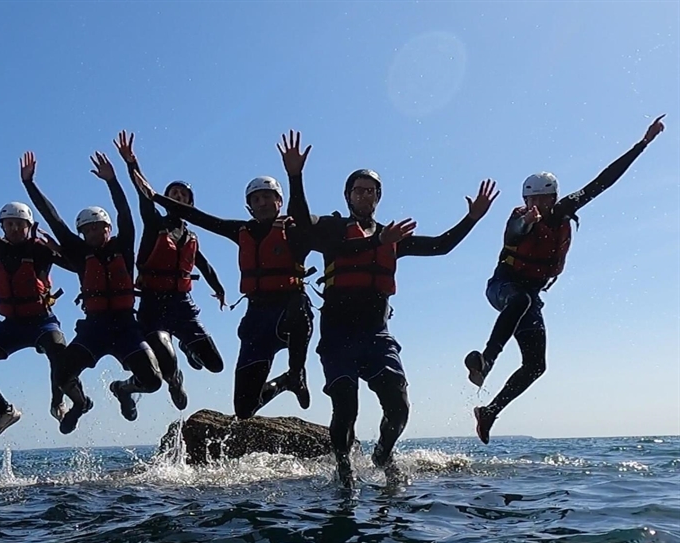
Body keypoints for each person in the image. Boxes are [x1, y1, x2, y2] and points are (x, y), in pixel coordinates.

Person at [279, 130, 498, 488]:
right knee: (346, 406)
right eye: (358, 190)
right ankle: (344, 467)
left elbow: (441, 246)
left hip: (376, 336)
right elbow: (301, 221)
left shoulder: (392, 236)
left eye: (371, 190)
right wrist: (295, 176)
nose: (364, 195)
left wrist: (472, 218)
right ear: (348, 196)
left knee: (399, 405)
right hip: (337, 335)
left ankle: (382, 452)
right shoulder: (333, 230)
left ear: (379, 197)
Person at [465, 115, 666, 444]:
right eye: (530, 199)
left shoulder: (565, 210)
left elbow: (604, 181)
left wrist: (642, 144)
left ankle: (489, 413)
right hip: (502, 288)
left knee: (535, 365)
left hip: (529, 296)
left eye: (542, 199)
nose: (535, 205)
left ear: (554, 198)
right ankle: (486, 361)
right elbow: (517, 231)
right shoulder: (519, 217)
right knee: (520, 300)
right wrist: (528, 222)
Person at [131, 165, 314, 420]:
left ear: (279, 201)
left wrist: (295, 175)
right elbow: (202, 218)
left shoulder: (294, 231)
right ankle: (285, 383)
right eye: (256, 199)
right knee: (244, 409)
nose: (261, 203)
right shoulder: (241, 231)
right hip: (256, 318)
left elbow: (302, 214)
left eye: (267, 197)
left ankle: (296, 372)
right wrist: (152, 194)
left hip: (288, 311)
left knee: (299, 307)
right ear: (249, 207)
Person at [0, 157, 89, 439]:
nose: (13, 229)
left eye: (19, 224)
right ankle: (4, 410)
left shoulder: (41, 249)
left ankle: (59, 402)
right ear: (2, 226)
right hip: (11, 326)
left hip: (43, 322)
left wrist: (58, 249)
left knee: (60, 355)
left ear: (29, 226)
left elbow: (76, 266)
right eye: (8, 224)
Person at [20, 149, 163, 425]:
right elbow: (54, 220)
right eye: (89, 230)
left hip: (126, 327)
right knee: (61, 374)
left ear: (108, 229)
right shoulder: (77, 251)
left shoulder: (124, 246)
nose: (95, 233)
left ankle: (124, 389)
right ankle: (81, 403)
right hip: (94, 328)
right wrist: (30, 184)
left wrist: (113, 180)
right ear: (82, 233)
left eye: (100, 227)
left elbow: (125, 212)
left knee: (153, 381)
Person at [112, 130, 226, 411]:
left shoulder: (190, 237)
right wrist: (131, 164)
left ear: (190, 204)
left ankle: (188, 348)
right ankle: (168, 382)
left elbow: (204, 265)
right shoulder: (154, 225)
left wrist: (219, 288)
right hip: (153, 305)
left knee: (215, 364)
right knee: (166, 363)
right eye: (173, 193)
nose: (178, 197)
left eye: (184, 195)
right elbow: (143, 196)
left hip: (182, 306)